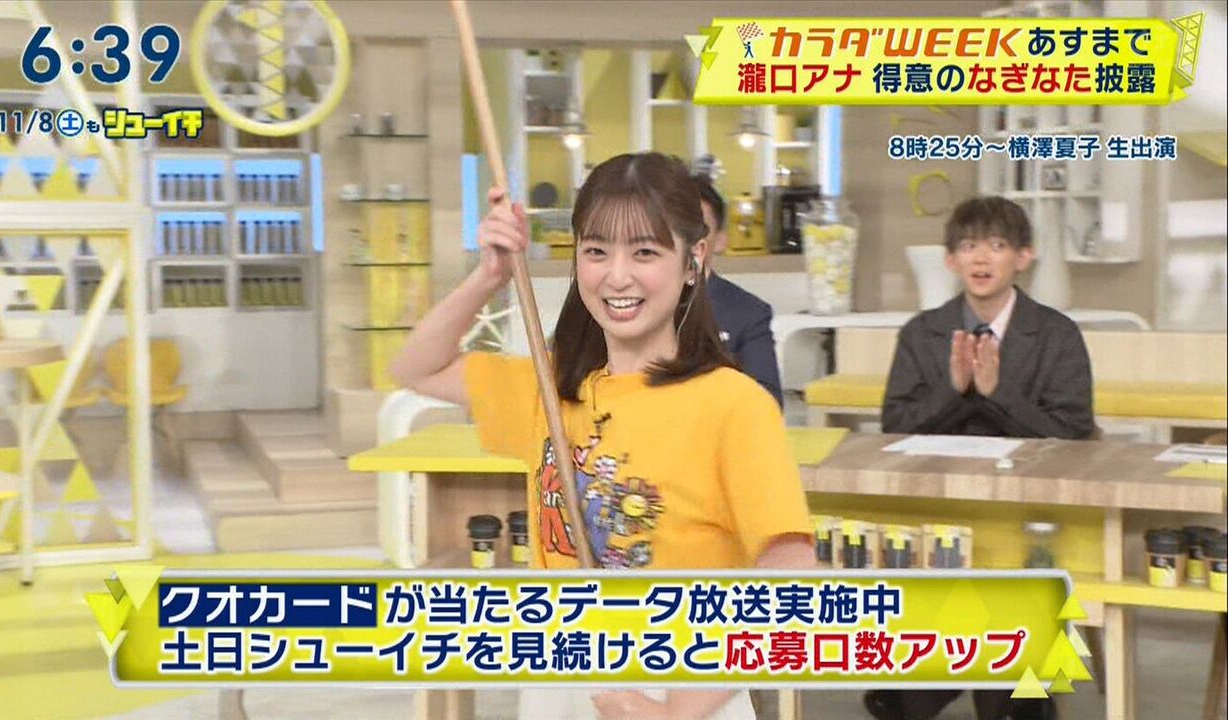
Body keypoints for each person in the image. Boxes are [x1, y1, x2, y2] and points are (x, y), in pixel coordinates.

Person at [391, 152, 816, 720]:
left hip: (681, 688)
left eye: (645, 252)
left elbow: (791, 572)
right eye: (595, 251)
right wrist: (489, 275)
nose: (617, 276)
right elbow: (415, 368)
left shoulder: (734, 404)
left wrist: (677, 712)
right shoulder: (551, 387)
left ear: (693, 261)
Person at [869, 196, 1093, 720]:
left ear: (1024, 256)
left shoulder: (1057, 334)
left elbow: (1075, 434)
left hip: (1028, 504)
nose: (981, 258)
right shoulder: (922, 332)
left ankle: (1010, 685)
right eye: (969, 246)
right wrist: (953, 388)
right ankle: (943, 678)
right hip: (940, 502)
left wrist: (997, 393)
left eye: (997, 245)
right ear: (951, 260)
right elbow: (893, 425)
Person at [693, 174, 784, 408]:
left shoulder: (748, 313)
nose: (684, 239)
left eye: (697, 228)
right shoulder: (626, 304)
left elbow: (767, 402)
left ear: (721, 240)